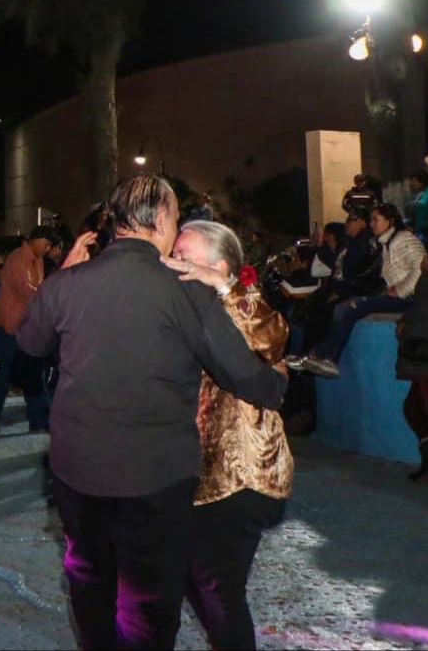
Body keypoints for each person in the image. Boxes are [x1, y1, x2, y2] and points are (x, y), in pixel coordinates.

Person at [17, 175, 287, 650]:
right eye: (177, 220)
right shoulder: (185, 288)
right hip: (154, 476)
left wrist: (61, 274)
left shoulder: (70, 283)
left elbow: (30, 342)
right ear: (161, 220)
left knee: (89, 578)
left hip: (77, 470)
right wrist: (278, 383)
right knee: (148, 599)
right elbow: (247, 378)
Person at [165, 219, 294, 650]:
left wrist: (225, 288)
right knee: (189, 576)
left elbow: (273, 340)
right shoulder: (182, 306)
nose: (174, 260)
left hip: (240, 474)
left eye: (185, 255)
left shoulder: (238, 303)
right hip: (194, 474)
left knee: (219, 584)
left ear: (220, 265)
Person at [301, 203, 424, 378]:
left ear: (390, 221)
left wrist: (399, 290)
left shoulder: (404, 240)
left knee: (352, 307)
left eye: (376, 219)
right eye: (371, 219)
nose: (372, 224)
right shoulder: (387, 242)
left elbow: (420, 269)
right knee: (345, 306)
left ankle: (327, 357)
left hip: (407, 298)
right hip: (397, 295)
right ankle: (318, 354)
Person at [0, 226, 57, 433]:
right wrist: (49, 295)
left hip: (25, 327)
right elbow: (26, 291)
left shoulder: (36, 260)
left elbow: (35, 291)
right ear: (37, 239)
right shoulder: (17, 259)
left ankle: (37, 420)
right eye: (47, 244)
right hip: (10, 328)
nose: (48, 249)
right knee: (7, 375)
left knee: (31, 373)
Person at [395, 247, 428, 481]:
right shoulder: (427, 283)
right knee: (415, 408)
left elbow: (426, 310)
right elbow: (417, 306)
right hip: (421, 356)